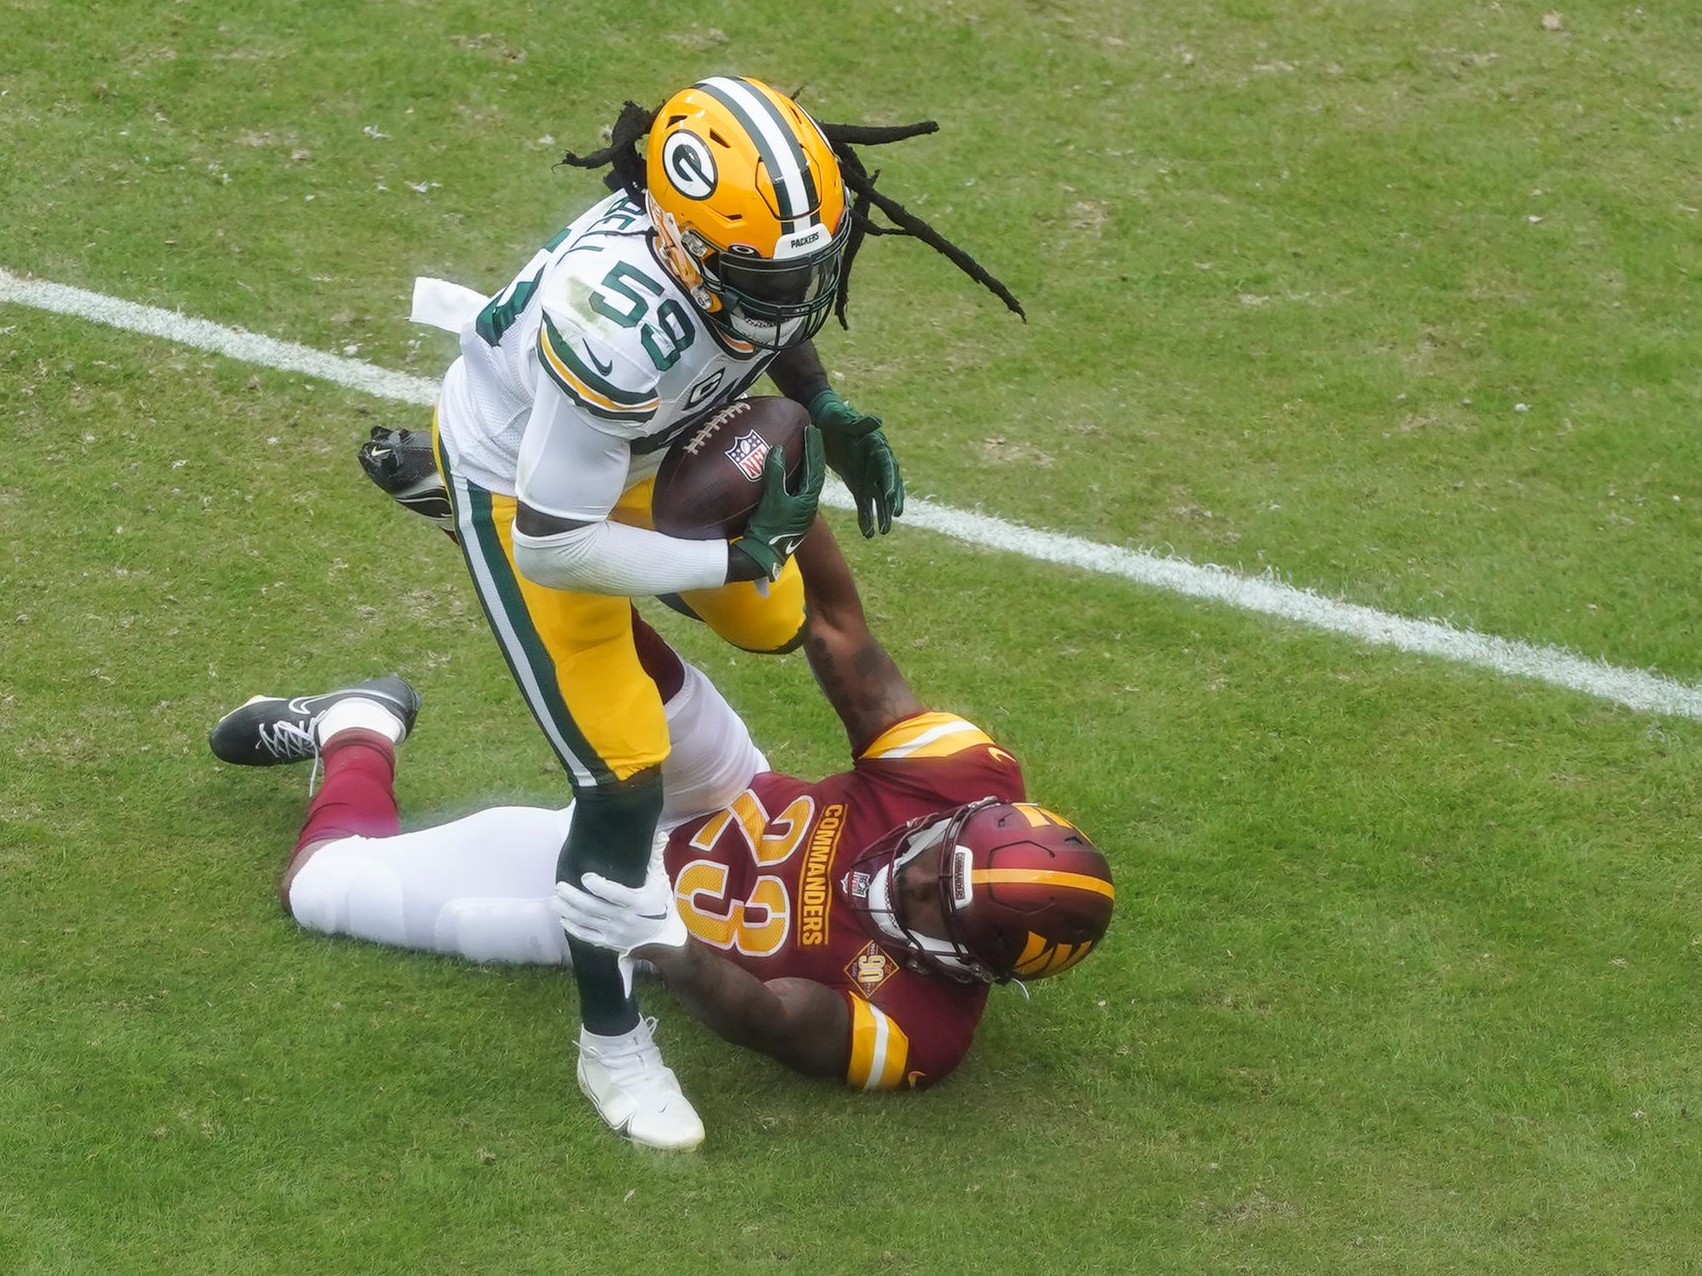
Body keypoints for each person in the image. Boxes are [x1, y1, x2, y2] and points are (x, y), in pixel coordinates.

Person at [357, 76, 1025, 1148]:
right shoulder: (610, 333)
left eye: (809, 260)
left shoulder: (740, 249)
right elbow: (558, 543)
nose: (798, 285)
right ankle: (610, 1043)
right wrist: (725, 545)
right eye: (773, 270)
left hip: (649, 447)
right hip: (529, 487)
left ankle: (641, 586)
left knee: (771, 619)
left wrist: (823, 406)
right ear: (678, 242)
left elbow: (769, 324)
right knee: (619, 771)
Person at [208, 520, 1112, 1150]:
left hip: (639, 905)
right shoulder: (963, 778)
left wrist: (668, 945)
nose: (902, 873)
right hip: (723, 791)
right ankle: (484, 518)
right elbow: (837, 628)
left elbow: (776, 1019)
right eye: (931, 855)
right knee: (630, 670)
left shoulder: (925, 1030)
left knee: (320, 889)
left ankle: (355, 726)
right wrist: (792, 490)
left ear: (966, 963)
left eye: (925, 900)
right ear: (964, 821)